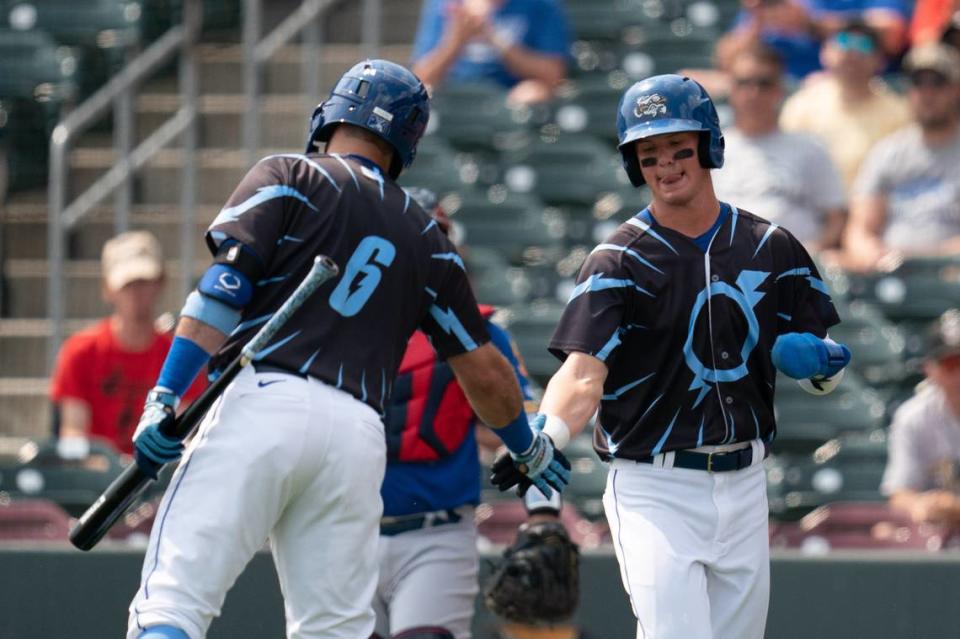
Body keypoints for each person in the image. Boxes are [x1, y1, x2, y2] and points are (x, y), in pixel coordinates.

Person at [125, 59, 569, 639]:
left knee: (175, 602)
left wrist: (164, 396)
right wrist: (527, 448)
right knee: (332, 628)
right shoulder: (427, 235)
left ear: (331, 113)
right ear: (407, 140)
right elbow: (483, 370)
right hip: (357, 435)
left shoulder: (287, 174)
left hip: (260, 399)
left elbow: (220, 294)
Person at [491, 74, 851, 638]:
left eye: (678, 147)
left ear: (707, 147)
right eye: (649, 152)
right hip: (653, 485)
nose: (666, 164)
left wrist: (823, 367)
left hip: (745, 478)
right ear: (634, 164)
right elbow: (583, 374)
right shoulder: (616, 261)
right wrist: (548, 436)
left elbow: (821, 364)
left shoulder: (770, 244)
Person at [374, 185, 563, 639]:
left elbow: (532, 426)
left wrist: (543, 515)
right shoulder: (335, 323)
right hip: (340, 527)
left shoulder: (480, 331)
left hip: (436, 533)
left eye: (433, 237)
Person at [49, 231, 203, 458]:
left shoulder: (180, 355)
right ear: (107, 288)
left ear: (160, 282)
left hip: (159, 479)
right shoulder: (80, 351)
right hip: (98, 480)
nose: (136, 292)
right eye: (127, 283)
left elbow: (186, 431)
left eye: (143, 281)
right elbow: (72, 431)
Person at [712, 44, 846, 252]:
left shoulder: (810, 149)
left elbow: (836, 217)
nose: (753, 92)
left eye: (764, 83)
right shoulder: (709, 152)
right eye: (744, 83)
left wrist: (810, 255)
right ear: (731, 88)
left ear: (779, 90)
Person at [842, 42, 960, 272]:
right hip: (891, 274)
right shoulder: (888, 151)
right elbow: (860, 229)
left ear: (955, 89)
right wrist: (872, 253)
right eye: (918, 83)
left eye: (937, 83)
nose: (927, 93)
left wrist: (923, 259)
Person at [779, 21, 910, 191]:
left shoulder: (899, 113)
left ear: (881, 60)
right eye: (843, 42)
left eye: (864, 46)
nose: (852, 53)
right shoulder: (801, 105)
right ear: (824, 52)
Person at [882, 309, 960, 527]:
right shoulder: (913, 417)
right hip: (937, 538)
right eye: (950, 364)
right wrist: (923, 505)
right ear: (930, 369)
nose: (958, 374)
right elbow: (899, 497)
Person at [410, 0, 570, 104]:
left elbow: (553, 74)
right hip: (452, 98)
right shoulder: (445, 6)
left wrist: (494, 38)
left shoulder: (541, 5)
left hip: (510, 99)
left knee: (535, 93)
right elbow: (421, 78)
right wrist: (456, 41)